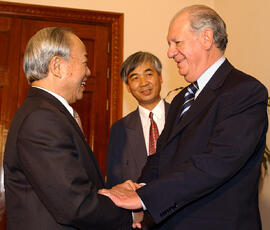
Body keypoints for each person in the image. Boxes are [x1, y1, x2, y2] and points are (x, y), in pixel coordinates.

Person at [99, 5, 269, 230]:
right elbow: (162, 156)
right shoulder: (182, 99)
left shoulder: (244, 91)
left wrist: (144, 198)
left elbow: (216, 163)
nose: (170, 52)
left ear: (206, 38)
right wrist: (140, 187)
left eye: (176, 42)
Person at [3, 27, 136, 230]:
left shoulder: (47, 113)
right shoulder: (42, 119)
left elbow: (70, 187)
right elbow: (76, 205)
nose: (89, 71)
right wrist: (132, 213)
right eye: (84, 62)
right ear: (57, 66)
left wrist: (113, 194)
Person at [106, 51, 170, 188]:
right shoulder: (119, 130)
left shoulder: (182, 116)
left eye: (149, 74)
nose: (143, 83)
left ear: (160, 77)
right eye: (135, 78)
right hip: (137, 208)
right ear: (128, 87)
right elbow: (114, 183)